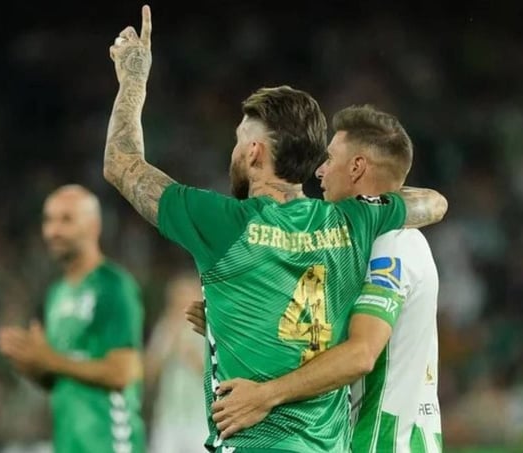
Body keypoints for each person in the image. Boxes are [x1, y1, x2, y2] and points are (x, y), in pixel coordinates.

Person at [103, 6, 447, 452]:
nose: (234, 152)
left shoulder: (222, 223)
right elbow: (432, 202)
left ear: (255, 153)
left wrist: (133, 79)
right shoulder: (354, 221)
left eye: (238, 141)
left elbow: (121, 164)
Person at [201, 105, 443, 452]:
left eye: (329, 159)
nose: (319, 170)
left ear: (357, 167)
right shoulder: (360, 243)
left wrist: (264, 396)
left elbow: (361, 354)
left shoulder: (391, 244)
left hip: (383, 442)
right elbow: (316, 332)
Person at [0, 185, 145, 453]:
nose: (53, 231)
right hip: (69, 444)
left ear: (94, 226)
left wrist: (50, 360)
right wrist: (34, 366)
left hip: (110, 442)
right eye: (48, 220)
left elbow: (124, 371)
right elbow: (64, 375)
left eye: (66, 220)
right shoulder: (57, 293)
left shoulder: (113, 286)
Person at [145, 272, 207, 453]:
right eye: (175, 300)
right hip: (167, 419)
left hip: (201, 419)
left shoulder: (209, 330)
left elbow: (218, 377)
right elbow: (148, 373)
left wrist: (189, 353)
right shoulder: (164, 328)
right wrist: (166, 346)